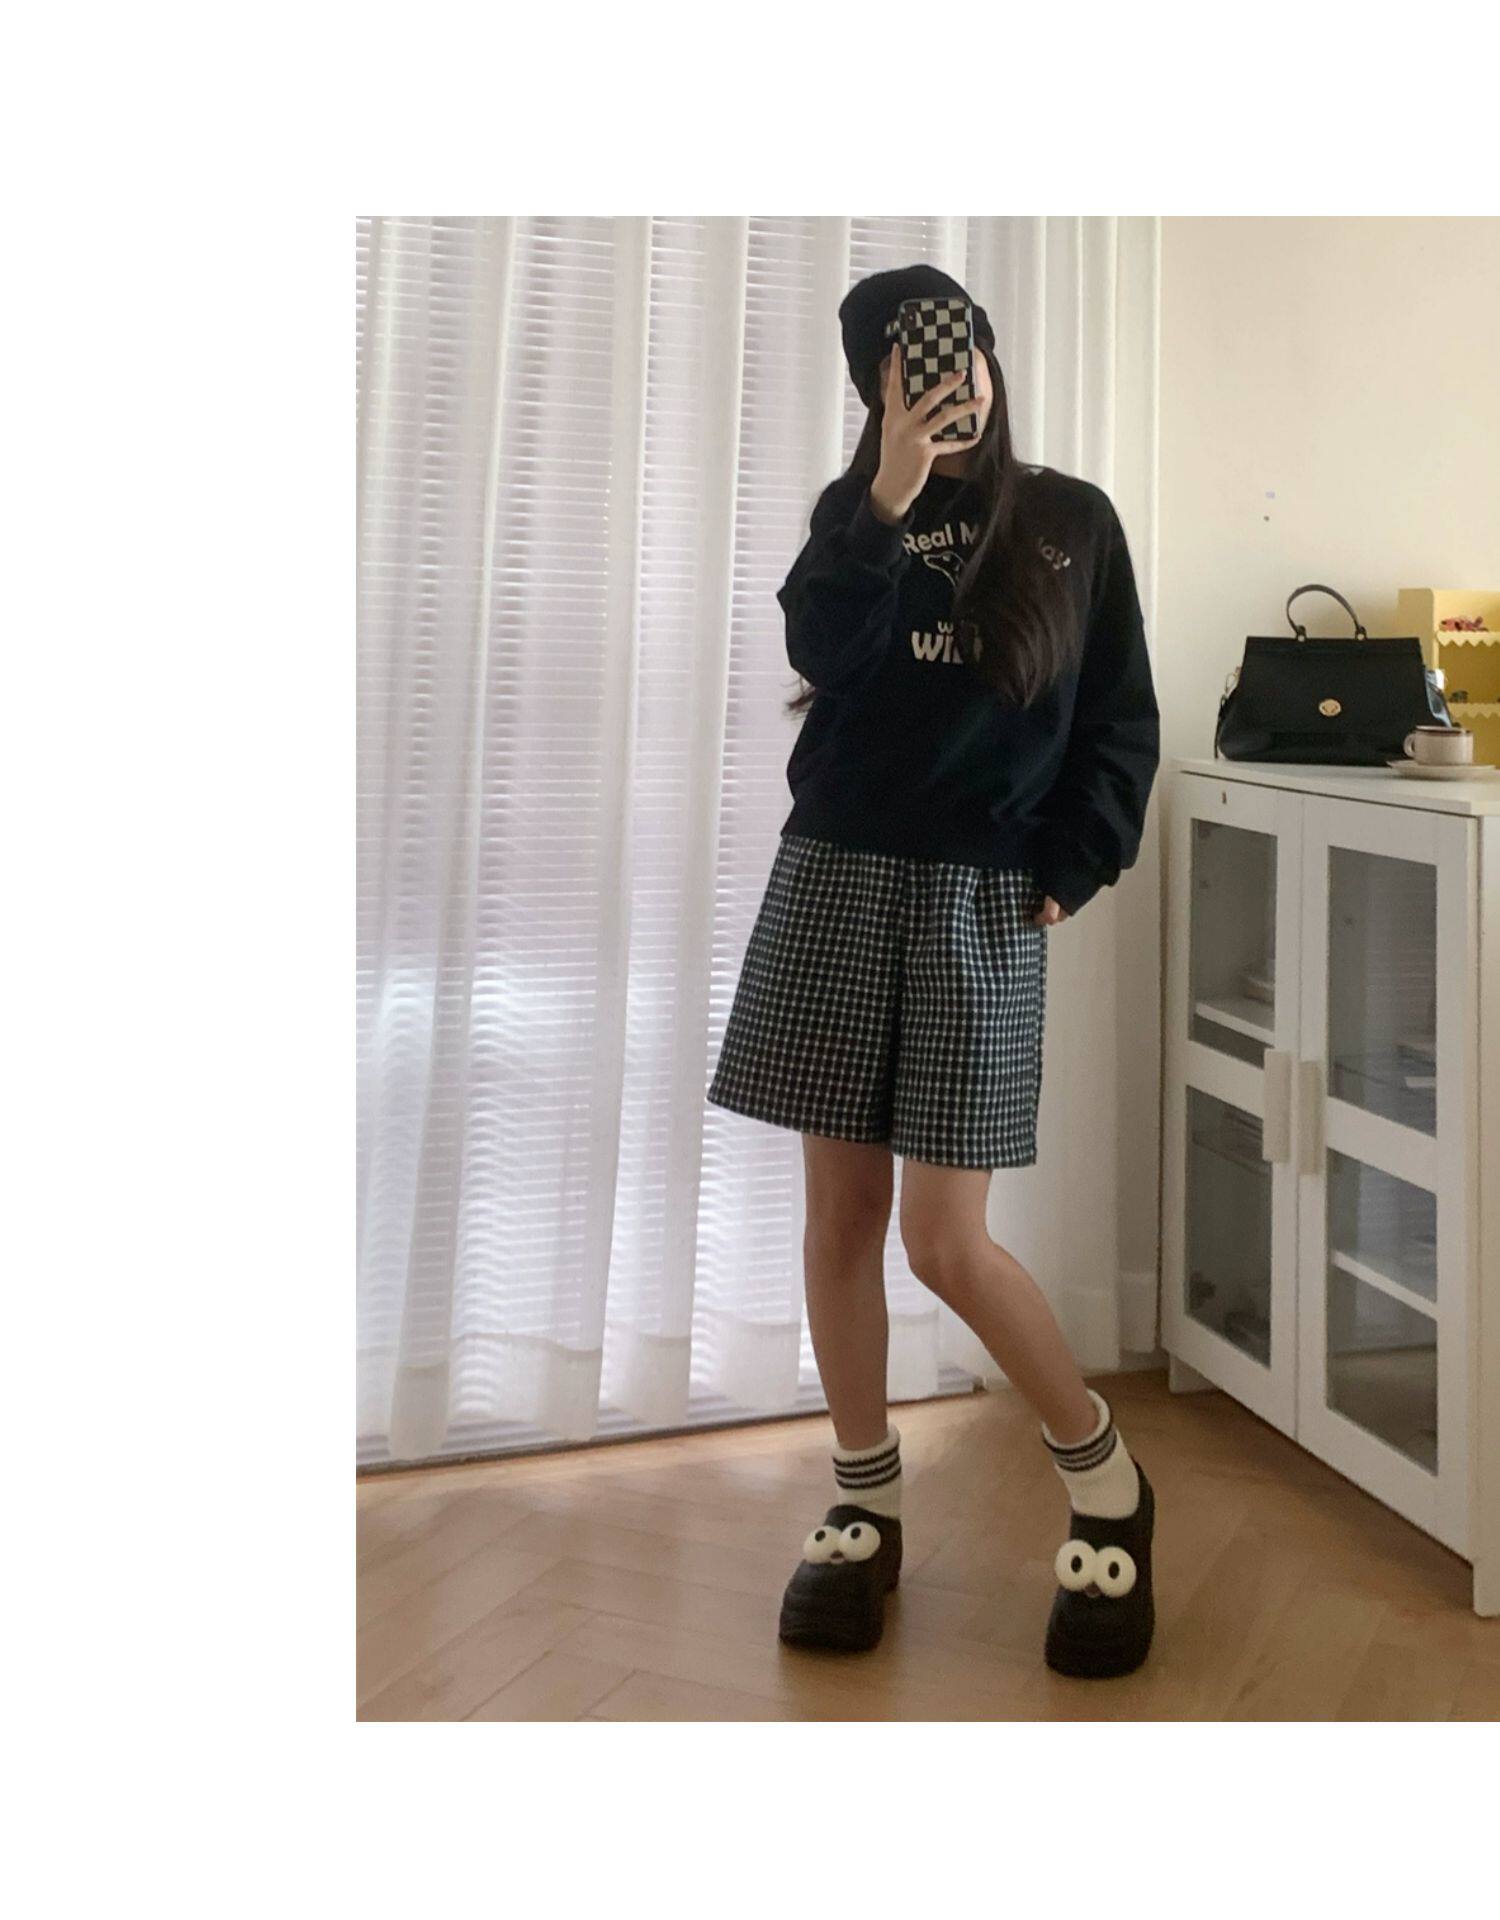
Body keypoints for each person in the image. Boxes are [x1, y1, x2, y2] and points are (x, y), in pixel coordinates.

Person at [705, 264, 1160, 1677]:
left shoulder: (1073, 522)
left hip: (983, 900)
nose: (945, 390)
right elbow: (818, 650)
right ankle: (864, 1500)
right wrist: (886, 500)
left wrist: (1076, 863)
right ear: (873, 389)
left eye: (959, 361)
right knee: (841, 1218)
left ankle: (1107, 1483)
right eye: (908, 374)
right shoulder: (855, 520)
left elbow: (1120, 717)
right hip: (837, 878)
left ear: (989, 360)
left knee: (945, 1242)